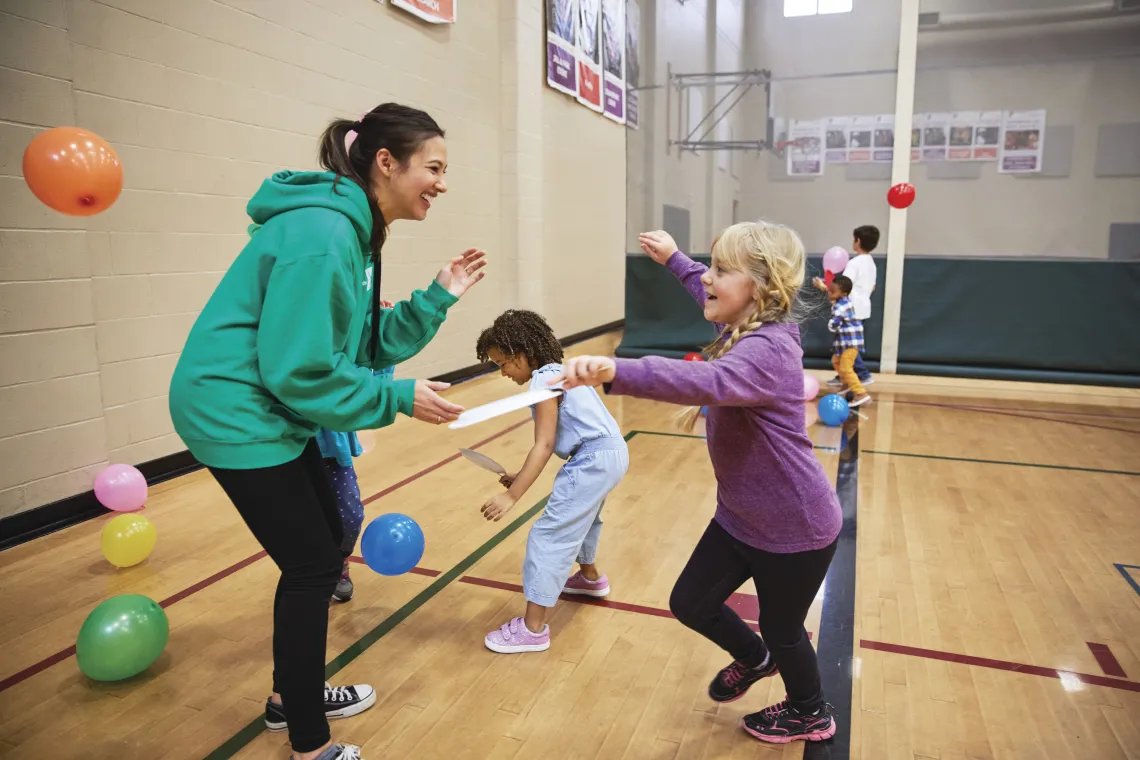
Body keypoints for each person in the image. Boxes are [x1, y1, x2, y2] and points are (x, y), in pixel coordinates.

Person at [168, 103, 487, 760]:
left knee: (327, 543)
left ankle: (295, 696)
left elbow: (360, 345)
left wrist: (435, 297)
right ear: (385, 162)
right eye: (434, 167)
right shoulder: (325, 233)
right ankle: (309, 741)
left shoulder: (354, 230)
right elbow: (301, 369)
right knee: (314, 562)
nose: (442, 183)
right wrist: (398, 398)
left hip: (270, 407)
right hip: (234, 409)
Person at [552, 223, 842, 745]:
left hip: (794, 528)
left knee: (784, 629)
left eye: (722, 269)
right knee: (690, 602)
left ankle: (810, 712)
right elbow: (707, 292)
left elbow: (705, 382)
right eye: (710, 266)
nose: (708, 278)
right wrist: (675, 260)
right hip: (741, 516)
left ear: (760, 287)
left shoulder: (769, 351)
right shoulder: (746, 325)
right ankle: (756, 658)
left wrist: (616, 371)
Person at [474, 309, 628, 654]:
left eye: (503, 363)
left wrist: (513, 495)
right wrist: (520, 477)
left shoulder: (543, 382)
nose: (502, 372)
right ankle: (589, 579)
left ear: (523, 353)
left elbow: (543, 445)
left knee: (549, 534)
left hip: (592, 458)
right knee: (586, 518)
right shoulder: (559, 371)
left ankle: (533, 629)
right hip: (613, 452)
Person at [815, 225, 878, 388]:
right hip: (863, 308)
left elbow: (843, 287)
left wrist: (823, 287)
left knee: (849, 345)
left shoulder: (854, 263)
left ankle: (862, 374)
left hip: (851, 309)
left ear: (858, 241)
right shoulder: (871, 263)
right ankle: (844, 374)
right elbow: (872, 287)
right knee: (848, 345)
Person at [827, 275, 870, 407]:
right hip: (844, 342)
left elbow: (833, 324)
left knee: (846, 368)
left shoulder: (841, 306)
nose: (829, 293)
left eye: (832, 292)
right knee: (836, 360)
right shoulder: (841, 302)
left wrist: (831, 325)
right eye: (829, 290)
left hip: (851, 342)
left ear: (843, 293)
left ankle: (861, 393)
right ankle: (846, 383)